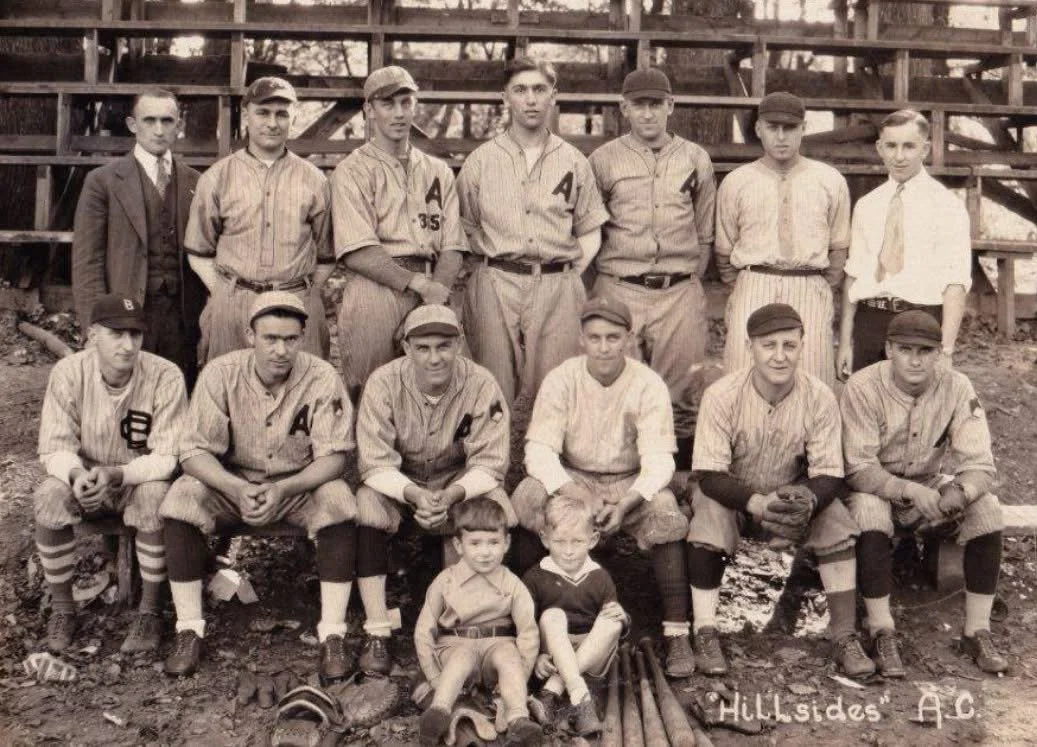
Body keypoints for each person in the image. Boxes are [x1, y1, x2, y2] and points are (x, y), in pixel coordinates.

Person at [159, 292, 358, 681]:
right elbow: (194, 453)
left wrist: (285, 489)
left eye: (290, 339)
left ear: (302, 338)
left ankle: (333, 634)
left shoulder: (321, 376)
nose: (281, 350)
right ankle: (188, 629)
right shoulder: (221, 372)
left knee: (339, 499)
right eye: (271, 338)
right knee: (182, 496)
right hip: (232, 482)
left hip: (296, 485)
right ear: (250, 335)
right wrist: (234, 488)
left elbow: (335, 457)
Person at [511, 295, 695, 677]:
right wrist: (574, 492)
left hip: (630, 479)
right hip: (575, 476)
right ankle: (525, 622)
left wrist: (627, 502)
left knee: (665, 513)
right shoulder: (563, 378)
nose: (604, 347)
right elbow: (539, 450)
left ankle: (677, 631)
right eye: (594, 338)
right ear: (582, 339)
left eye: (613, 337)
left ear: (629, 338)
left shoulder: (647, 383)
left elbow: (660, 459)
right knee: (528, 497)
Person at [687, 303, 871, 677]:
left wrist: (805, 499)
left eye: (789, 345)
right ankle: (705, 631)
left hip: (790, 499)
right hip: (733, 496)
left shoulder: (819, 395)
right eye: (768, 345)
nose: (780, 355)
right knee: (708, 516)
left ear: (803, 345)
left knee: (836, 520)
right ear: (749, 347)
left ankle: (844, 636)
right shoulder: (722, 394)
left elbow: (829, 473)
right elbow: (709, 474)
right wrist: (755, 502)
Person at [841, 310, 1006, 675]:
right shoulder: (862, 386)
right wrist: (909, 491)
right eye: (905, 349)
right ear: (889, 350)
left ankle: (976, 631)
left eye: (925, 351)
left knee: (988, 508)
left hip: (929, 482)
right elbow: (858, 468)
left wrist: (959, 493)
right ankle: (880, 630)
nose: (915, 360)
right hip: (877, 487)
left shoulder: (957, 386)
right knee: (869, 509)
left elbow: (980, 463)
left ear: (938, 354)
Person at [352, 304, 514, 676]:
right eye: (423, 348)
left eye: (443, 346)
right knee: (366, 505)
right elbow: (374, 462)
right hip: (400, 484)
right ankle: (378, 629)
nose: (434, 357)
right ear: (406, 348)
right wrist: (413, 494)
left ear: (459, 344)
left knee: (499, 508)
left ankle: (472, 621)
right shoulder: (384, 381)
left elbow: (491, 462)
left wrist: (453, 494)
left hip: (457, 483)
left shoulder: (481, 382)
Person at [33, 294, 187, 654]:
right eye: (116, 334)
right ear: (93, 336)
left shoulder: (165, 375)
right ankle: (63, 609)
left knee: (156, 496)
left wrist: (117, 474)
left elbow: (168, 457)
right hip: (86, 478)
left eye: (135, 334)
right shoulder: (69, 372)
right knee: (49, 496)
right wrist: (76, 475)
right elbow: (53, 446)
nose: (128, 345)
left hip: (136, 479)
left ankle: (150, 612)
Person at [457, 56, 609, 404]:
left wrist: (566, 275)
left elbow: (590, 229)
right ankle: (494, 442)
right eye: (520, 90)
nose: (530, 99)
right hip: (496, 280)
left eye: (540, 89)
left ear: (553, 96)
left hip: (556, 283)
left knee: (558, 387)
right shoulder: (480, 161)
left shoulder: (574, 160)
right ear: (505, 97)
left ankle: (550, 442)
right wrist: (486, 269)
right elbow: (464, 228)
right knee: (490, 388)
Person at [588, 67, 716, 471]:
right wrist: (602, 290)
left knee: (683, 393)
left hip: (678, 288)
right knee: (619, 387)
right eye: (639, 105)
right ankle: (619, 474)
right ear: (624, 108)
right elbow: (590, 232)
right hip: (620, 285)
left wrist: (688, 281)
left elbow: (705, 233)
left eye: (656, 104)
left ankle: (678, 482)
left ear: (670, 105)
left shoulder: (695, 158)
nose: (648, 113)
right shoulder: (603, 160)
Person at [331, 66, 467, 403]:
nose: (399, 113)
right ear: (369, 110)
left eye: (406, 102)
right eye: (387, 104)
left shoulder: (437, 170)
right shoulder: (352, 170)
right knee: (371, 392)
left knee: (435, 391)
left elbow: (453, 244)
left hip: (432, 284)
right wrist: (421, 286)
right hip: (374, 290)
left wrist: (437, 292)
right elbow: (357, 250)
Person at [185, 77, 334, 364]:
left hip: (295, 303)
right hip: (235, 303)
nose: (272, 123)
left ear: (294, 118)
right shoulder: (217, 177)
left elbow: (327, 256)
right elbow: (198, 251)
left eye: (282, 114)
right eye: (263, 113)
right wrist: (226, 293)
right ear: (246, 115)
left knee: (303, 384)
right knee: (230, 381)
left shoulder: (315, 179)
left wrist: (304, 291)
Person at [716, 91, 851, 388]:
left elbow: (838, 250)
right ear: (758, 129)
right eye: (772, 127)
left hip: (809, 283)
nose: (780, 136)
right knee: (742, 376)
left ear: (804, 128)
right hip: (755, 282)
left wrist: (818, 285)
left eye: (789, 128)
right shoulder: (736, 181)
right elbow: (724, 253)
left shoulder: (829, 180)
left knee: (813, 378)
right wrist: (745, 284)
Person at [72, 89, 203, 389]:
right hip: (125, 315)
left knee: (175, 396)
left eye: (167, 121)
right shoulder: (102, 181)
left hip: (181, 319)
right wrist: (94, 328)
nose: (159, 129)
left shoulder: (196, 181)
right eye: (149, 120)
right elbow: (87, 262)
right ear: (133, 125)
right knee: (125, 398)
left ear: (179, 125)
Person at [837, 110, 971, 378]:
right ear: (879, 148)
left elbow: (955, 283)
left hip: (919, 322)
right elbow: (854, 275)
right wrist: (845, 342)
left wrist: (945, 351)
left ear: (925, 149)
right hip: (870, 320)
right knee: (867, 400)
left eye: (909, 146)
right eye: (891, 146)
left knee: (915, 402)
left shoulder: (946, 205)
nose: (899, 156)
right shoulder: (867, 205)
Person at [413, 497, 543, 747]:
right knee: (462, 656)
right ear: (458, 545)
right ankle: (439, 712)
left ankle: (518, 719)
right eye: (475, 543)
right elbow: (423, 631)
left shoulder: (512, 583)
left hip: (496, 647)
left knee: (508, 654)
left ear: (506, 543)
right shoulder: (445, 581)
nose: (485, 552)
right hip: (455, 646)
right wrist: (433, 676)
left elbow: (528, 633)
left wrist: (520, 676)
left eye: (493, 542)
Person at [523, 495, 627, 736]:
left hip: (590, 657)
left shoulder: (600, 577)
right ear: (545, 539)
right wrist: (537, 656)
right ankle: (581, 697)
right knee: (552, 615)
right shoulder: (534, 577)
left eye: (577, 541)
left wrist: (621, 616)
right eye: (559, 542)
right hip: (553, 654)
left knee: (613, 620)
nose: (568, 551)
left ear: (593, 540)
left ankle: (554, 689)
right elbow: (526, 627)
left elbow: (612, 631)